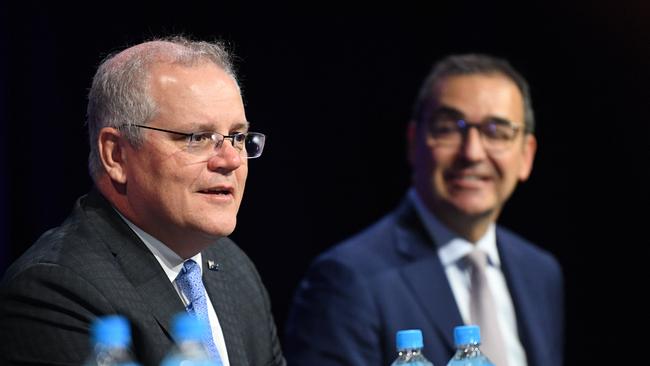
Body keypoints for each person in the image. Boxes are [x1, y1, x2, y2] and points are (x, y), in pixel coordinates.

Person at [0, 37, 285, 366]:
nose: (231, 160)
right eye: (197, 138)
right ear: (116, 154)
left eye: (237, 137)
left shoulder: (233, 267)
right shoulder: (54, 291)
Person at [284, 54, 563, 366]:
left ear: (526, 155)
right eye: (448, 128)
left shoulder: (540, 272)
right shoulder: (348, 280)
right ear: (413, 142)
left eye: (496, 131)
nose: (471, 152)